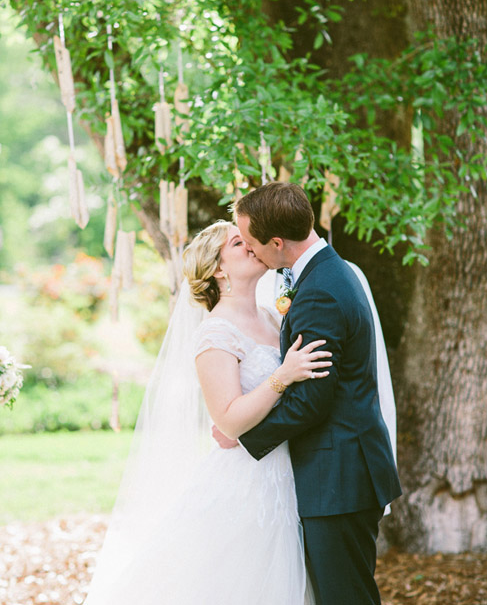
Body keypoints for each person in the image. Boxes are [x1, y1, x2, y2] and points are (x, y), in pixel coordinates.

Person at [84, 219, 330, 605]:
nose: (251, 244)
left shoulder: (271, 316)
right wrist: (282, 376)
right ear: (218, 268)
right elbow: (229, 419)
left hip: (290, 470)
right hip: (247, 482)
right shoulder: (215, 332)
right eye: (238, 242)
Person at [228, 181, 403, 605]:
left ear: (276, 242)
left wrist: (243, 436)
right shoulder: (326, 271)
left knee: (345, 597)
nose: (249, 252)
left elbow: (312, 400)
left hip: (338, 476)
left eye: (251, 244)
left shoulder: (320, 292)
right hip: (343, 471)